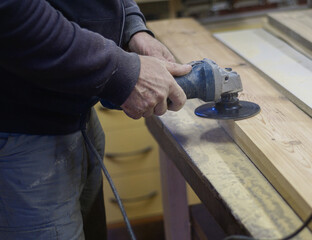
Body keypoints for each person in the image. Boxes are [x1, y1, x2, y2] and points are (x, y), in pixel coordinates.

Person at [0, 0, 191, 239]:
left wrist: (133, 26)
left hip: (77, 116)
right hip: (23, 134)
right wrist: (117, 69)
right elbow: (9, 11)